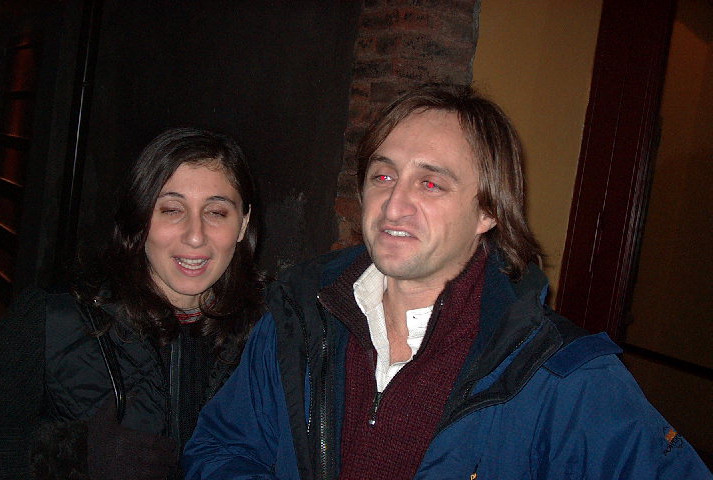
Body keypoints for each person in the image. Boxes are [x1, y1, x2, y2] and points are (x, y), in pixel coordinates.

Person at [183, 86, 712, 479]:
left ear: (488, 210)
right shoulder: (298, 318)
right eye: (383, 176)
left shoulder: (562, 376)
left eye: (431, 183)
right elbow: (221, 449)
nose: (394, 204)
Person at [0, 127, 264, 479]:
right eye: (172, 209)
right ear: (140, 218)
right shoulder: (50, 320)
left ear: (242, 224)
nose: (195, 235)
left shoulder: (270, 336)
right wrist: (71, 457)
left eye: (216, 212)